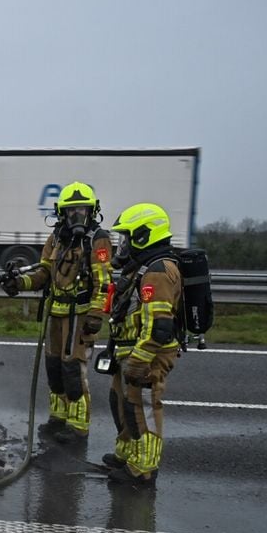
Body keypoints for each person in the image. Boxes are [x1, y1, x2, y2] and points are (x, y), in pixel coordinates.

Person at [1, 181, 113, 443]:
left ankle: (78, 426)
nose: (77, 216)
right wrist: (19, 283)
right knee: (54, 368)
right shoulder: (55, 239)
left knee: (73, 369)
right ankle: (58, 417)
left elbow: (105, 281)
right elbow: (43, 274)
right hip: (56, 312)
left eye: (82, 210)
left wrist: (97, 314)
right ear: (61, 212)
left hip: (80, 315)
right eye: (71, 211)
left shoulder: (98, 239)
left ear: (92, 211)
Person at [102, 202, 183, 487]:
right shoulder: (144, 268)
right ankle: (126, 455)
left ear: (143, 236)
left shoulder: (158, 271)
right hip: (129, 349)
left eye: (126, 238)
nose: (122, 245)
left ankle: (144, 468)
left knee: (144, 407)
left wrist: (138, 361)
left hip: (147, 355)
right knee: (123, 404)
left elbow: (158, 326)